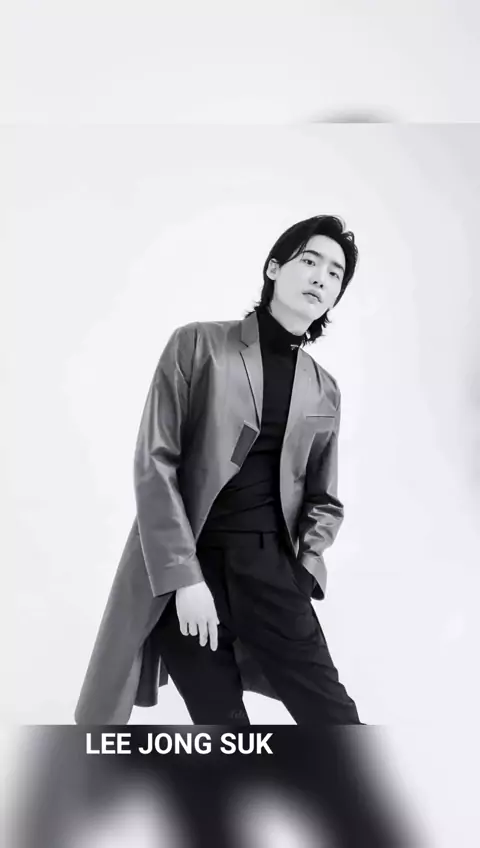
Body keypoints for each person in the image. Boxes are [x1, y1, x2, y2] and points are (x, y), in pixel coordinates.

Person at [75, 214, 362, 726]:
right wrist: (185, 580)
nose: (321, 277)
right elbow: (155, 462)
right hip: (190, 565)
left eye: (335, 273)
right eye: (310, 261)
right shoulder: (197, 345)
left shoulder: (325, 389)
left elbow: (324, 498)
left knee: (339, 729)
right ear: (274, 268)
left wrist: (305, 570)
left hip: (273, 574)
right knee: (225, 734)